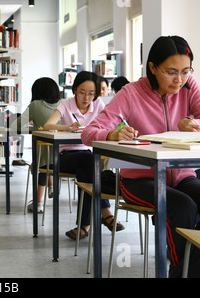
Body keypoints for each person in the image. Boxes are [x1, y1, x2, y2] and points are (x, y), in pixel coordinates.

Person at [81, 35, 200, 278]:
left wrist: (193, 121)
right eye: (171, 72)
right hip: (137, 180)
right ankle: (182, 274)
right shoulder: (131, 93)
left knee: (188, 201)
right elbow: (88, 133)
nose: (179, 79)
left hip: (181, 175)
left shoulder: (189, 86)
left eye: (185, 71)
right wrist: (113, 134)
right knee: (182, 206)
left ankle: (192, 267)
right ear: (153, 68)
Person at [43, 71, 124, 240]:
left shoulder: (98, 104)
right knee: (90, 162)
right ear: (74, 90)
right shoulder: (66, 104)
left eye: (91, 94)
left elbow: (112, 123)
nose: (86, 97)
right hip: (66, 156)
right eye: (82, 92)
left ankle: (84, 226)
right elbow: (47, 125)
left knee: (86, 170)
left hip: (87, 158)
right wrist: (69, 127)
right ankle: (105, 212)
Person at [11, 77, 61, 213]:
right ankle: (52, 188)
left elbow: (17, 125)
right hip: (64, 155)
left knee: (42, 160)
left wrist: (36, 126)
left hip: (44, 158)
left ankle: (38, 203)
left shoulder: (36, 105)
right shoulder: (64, 104)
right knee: (50, 155)